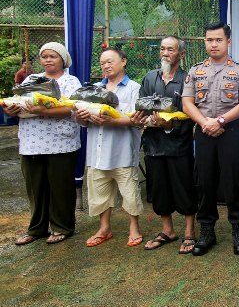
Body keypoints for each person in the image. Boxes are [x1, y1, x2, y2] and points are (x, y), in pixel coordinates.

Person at [182, 22, 239, 256]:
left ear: (228, 42)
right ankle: (206, 231)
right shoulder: (195, 71)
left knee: (234, 182)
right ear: (205, 42)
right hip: (203, 132)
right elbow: (187, 103)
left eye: (218, 40)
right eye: (209, 40)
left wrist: (219, 121)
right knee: (204, 182)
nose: (214, 44)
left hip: (231, 132)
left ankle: (238, 230)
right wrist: (205, 123)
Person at [5, 43, 81, 246]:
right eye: (44, 56)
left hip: (60, 143)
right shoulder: (31, 79)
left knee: (60, 187)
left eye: (52, 56)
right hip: (31, 142)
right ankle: (37, 228)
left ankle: (62, 227)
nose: (47, 60)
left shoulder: (70, 81)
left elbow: (71, 109)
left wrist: (42, 111)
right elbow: (19, 101)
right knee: (35, 187)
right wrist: (10, 109)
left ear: (63, 60)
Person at [130, 36, 197, 254]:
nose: (165, 53)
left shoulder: (187, 79)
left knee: (184, 187)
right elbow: (142, 106)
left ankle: (189, 231)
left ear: (181, 54)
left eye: (170, 49)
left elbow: (190, 113)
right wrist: (143, 119)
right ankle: (168, 230)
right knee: (158, 188)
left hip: (179, 146)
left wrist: (169, 125)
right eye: (162, 49)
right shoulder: (150, 77)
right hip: (153, 145)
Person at [75, 47, 143, 248]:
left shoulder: (134, 88)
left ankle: (134, 227)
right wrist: (81, 116)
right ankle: (104, 228)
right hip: (96, 152)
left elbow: (138, 120)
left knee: (130, 193)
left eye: (110, 61)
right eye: (102, 63)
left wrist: (112, 120)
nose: (106, 66)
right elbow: (82, 121)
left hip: (122, 151)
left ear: (123, 61)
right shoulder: (94, 89)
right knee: (99, 193)